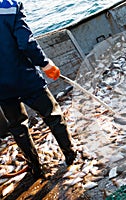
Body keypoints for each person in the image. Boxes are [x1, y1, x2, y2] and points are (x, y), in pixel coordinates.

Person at [0, 0, 76, 179]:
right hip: (25, 77)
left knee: (17, 126)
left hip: (2, 87)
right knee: (53, 115)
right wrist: (45, 63)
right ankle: (71, 155)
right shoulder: (10, 6)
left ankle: (35, 167)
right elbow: (25, 43)